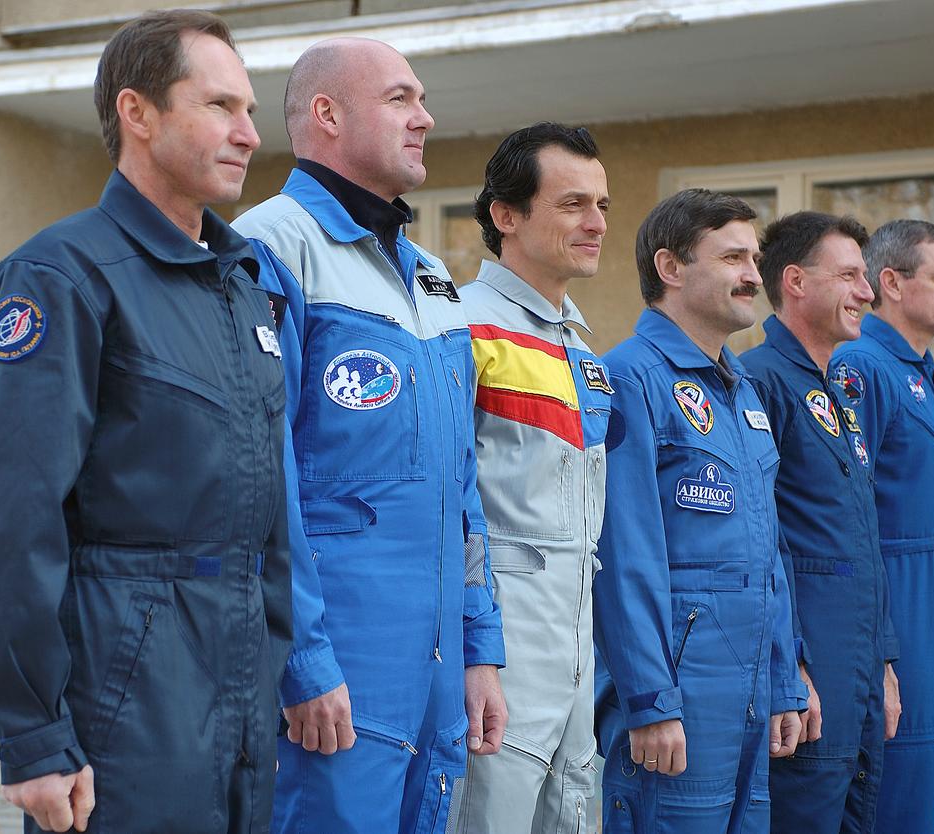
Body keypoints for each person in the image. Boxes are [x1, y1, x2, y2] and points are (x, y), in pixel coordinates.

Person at [0, 10, 290, 833]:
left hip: (243, 694)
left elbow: (267, 519)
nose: (247, 133)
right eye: (219, 106)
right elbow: (11, 516)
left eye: (249, 111)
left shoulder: (242, 288)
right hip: (126, 704)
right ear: (137, 113)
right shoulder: (61, 277)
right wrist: (34, 735)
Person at [231, 37, 506, 834]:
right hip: (338, 671)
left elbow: (462, 487)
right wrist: (303, 660)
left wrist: (479, 646)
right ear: (327, 113)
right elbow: (260, 478)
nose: (424, 117)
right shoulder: (270, 248)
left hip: (436, 674)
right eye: (399, 98)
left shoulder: (431, 277)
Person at [594, 188, 807, 834]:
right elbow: (624, 557)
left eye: (755, 257)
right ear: (671, 268)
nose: (752, 275)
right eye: (734, 257)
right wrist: (650, 702)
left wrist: (782, 681)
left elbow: (767, 554)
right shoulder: (630, 377)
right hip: (679, 694)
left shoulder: (740, 391)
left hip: (746, 691)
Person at [447, 123, 610, 834]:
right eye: (573, 204)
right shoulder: (460, 326)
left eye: (602, 204)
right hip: (499, 656)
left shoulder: (581, 346)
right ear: (505, 216)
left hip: (577, 654)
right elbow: (448, 506)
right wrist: (472, 651)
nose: (598, 223)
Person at [740, 211, 901, 833]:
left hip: (856, 669)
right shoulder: (759, 382)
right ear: (796, 282)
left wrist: (883, 663)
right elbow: (764, 540)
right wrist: (792, 666)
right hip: (810, 670)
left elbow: (860, 538)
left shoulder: (839, 388)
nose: (868, 292)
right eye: (851, 276)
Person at [829, 219, 934, 834]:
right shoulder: (861, 367)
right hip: (905, 621)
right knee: (903, 788)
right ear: (890, 281)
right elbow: (844, 509)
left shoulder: (926, 373)